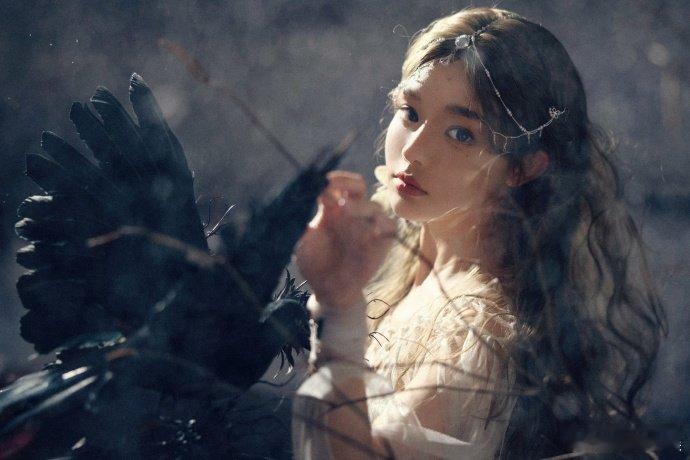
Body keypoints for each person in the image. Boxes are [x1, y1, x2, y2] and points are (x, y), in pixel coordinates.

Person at [291, 6, 666, 459]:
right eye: (410, 112)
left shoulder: (477, 333)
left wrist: (339, 308)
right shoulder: (413, 272)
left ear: (522, 168)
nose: (413, 151)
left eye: (460, 134)